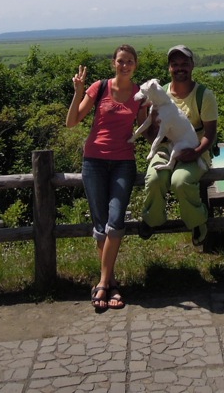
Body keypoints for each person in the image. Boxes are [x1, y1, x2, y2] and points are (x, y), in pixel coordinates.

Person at [66, 44, 148, 312]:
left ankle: (101, 283)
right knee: (101, 224)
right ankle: (111, 285)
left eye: (130, 62)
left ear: (135, 65)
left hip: (124, 162)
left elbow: (144, 128)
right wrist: (78, 92)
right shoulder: (99, 87)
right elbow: (72, 121)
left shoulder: (138, 94)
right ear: (114, 62)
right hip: (94, 161)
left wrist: (160, 111)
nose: (125, 65)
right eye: (121, 61)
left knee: (115, 220)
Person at [139, 45, 218, 247]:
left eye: (184, 63)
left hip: (195, 149)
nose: (179, 68)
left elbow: (210, 134)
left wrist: (197, 152)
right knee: (155, 178)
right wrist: (144, 119)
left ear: (192, 66)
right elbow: (150, 136)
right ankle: (152, 219)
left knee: (181, 181)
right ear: (169, 68)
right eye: (175, 64)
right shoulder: (159, 94)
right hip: (166, 148)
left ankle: (198, 222)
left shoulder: (204, 95)